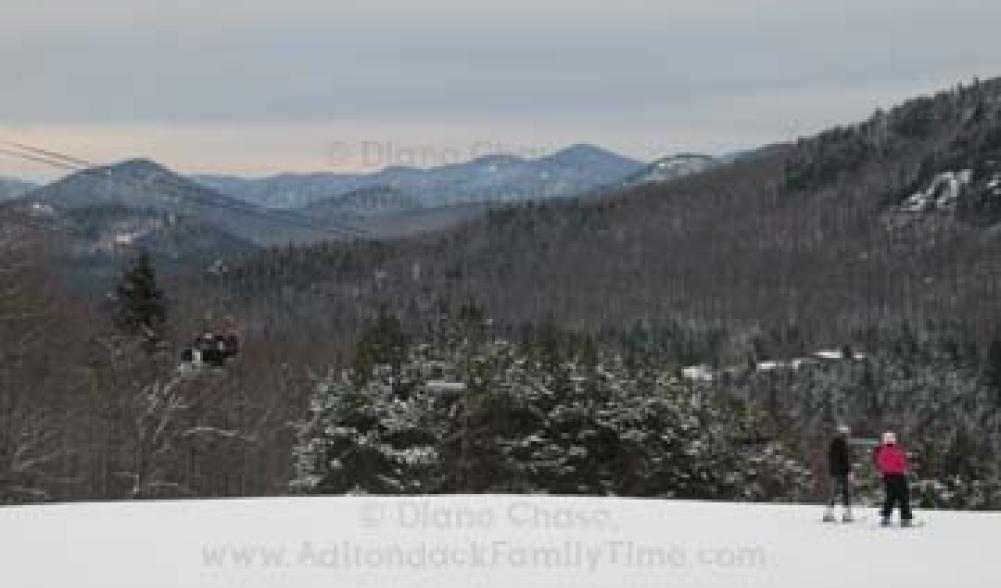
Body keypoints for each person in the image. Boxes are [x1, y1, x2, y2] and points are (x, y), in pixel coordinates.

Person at [874, 430, 913, 527]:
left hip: (887, 476)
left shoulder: (881, 451)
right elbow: (903, 463)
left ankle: (886, 517)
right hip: (898, 476)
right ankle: (905, 518)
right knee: (903, 497)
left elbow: (879, 463)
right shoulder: (897, 451)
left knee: (890, 497)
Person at [823, 424, 854, 522]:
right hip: (841, 472)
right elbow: (845, 460)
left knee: (834, 493)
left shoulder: (834, 443)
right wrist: (849, 471)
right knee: (845, 493)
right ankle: (846, 514)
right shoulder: (842, 444)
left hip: (834, 472)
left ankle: (829, 513)